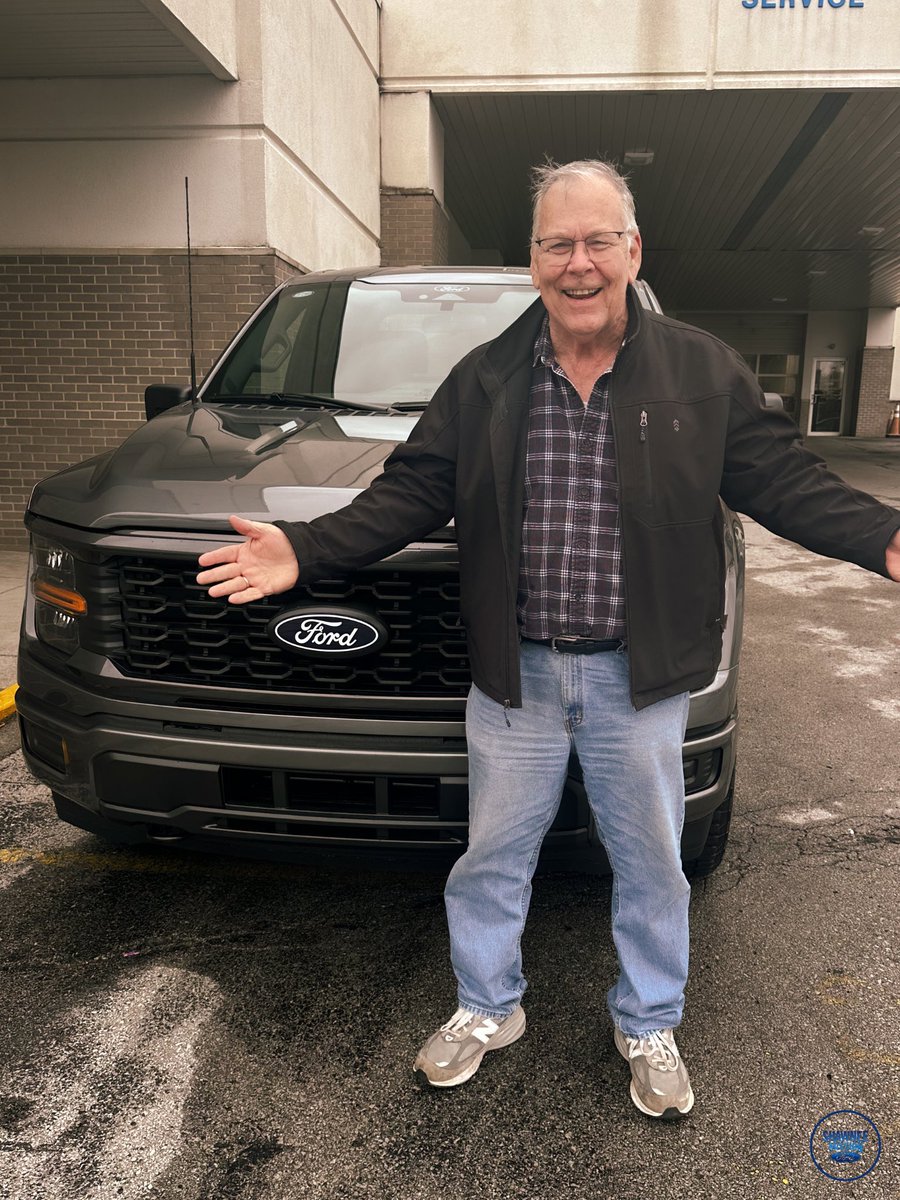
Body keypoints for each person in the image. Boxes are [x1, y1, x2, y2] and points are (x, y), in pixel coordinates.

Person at [197, 159, 900, 1120]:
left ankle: (647, 1017)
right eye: (558, 244)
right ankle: (489, 1005)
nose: (579, 263)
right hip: (518, 678)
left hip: (636, 679)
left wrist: (882, 538)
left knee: (653, 860)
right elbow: (410, 491)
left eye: (598, 241)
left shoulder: (699, 370)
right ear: (534, 260)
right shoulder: (486, 377)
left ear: (632, 251)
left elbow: (782, 481)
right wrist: (305, 551)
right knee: (494, 854)